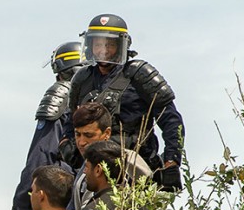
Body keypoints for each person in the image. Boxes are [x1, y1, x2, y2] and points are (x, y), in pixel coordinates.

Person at [61, 14, 184, 191]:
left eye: (109, 44)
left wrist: (171, 161)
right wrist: (66, 145)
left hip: (135, 168)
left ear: (121, 45)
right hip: (91, 170)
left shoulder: (139, 74)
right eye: (98, 44)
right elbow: (69, 117)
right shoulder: (82, 78)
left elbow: (171, 120)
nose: (103, 50)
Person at [12, 41, 83, 210]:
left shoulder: (61, 95)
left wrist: (22, 203)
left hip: (65, 202)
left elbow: (41, 154)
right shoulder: (107, 95)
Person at [68, 102, 152, 210]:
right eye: (78, 135)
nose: (81, 142)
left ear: (107, 133)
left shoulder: (125, 161)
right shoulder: (85, 163)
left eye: (89, 135)